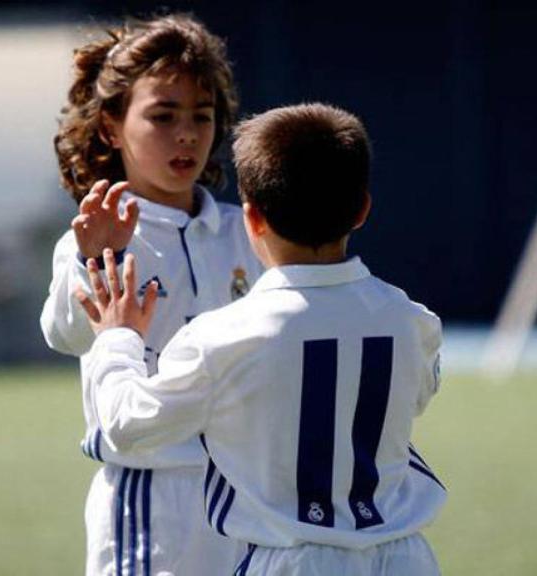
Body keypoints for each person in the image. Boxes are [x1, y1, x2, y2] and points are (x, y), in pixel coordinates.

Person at [76, 103, 447, 575]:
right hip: (407, 559)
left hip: (291, 561)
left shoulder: (224, 337)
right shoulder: (412, 320)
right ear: (362, 210)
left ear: (252, 218)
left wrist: (118, 338)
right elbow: (413, 398)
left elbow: (127, 424)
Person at [40, 13, 261, 576]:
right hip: (153, 499)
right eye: (163, 116)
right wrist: (95, 261)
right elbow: (65, 334)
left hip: (248, 494)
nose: (186, 134)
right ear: (111, 127)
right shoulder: (96, 237)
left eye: (201, 116)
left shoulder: (244, 233)